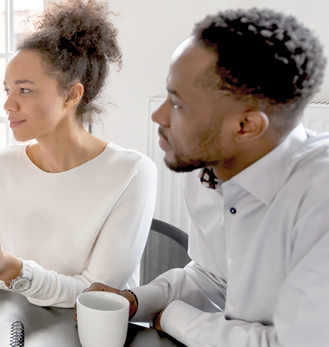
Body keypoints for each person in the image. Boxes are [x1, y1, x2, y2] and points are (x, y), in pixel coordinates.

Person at [84, 7, 329, 346]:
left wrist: (173, 316)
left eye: (177, 104)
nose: (158, 115)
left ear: (246, 126)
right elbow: (213, 275)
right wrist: (138, 301)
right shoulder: (208, 168)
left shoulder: (320, 199)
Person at [0, 0, 156, 308]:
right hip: (24, 327)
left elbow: (98, 295)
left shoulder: (131, 173)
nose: (8, 105)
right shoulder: (7, 165)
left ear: (71, 94)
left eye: (24, 90)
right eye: (7, 90)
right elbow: (8, 281)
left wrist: (11, 269)